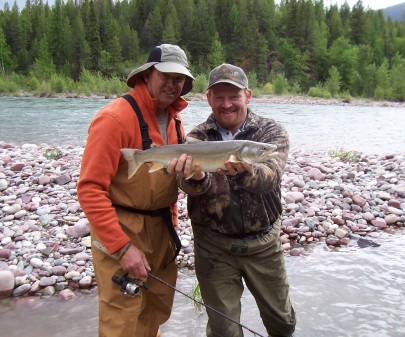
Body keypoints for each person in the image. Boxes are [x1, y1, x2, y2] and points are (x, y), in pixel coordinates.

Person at [168, 63, 296, 337]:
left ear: (248, 96)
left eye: (234, 96)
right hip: (214, 246)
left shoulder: (269, 134)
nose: (226, 104)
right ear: (209, 98)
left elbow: (270, 176)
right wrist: (197, 178)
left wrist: (243, 173)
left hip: (263, 244)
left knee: (283, 323)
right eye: (219, 97)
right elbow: (188, 186)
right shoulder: (196, 137)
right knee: (223, 331)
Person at [77, 43, 194, 337]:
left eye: (178, 78)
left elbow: (169, 181)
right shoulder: (113, 118)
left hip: (162, 229)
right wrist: (122, 247)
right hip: (122, 228)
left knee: (155, 308)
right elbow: (90, 189)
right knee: (122, 317)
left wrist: (174, 221)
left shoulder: (176, 120)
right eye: (165, 75)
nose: (172, 84)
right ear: (147, 75)